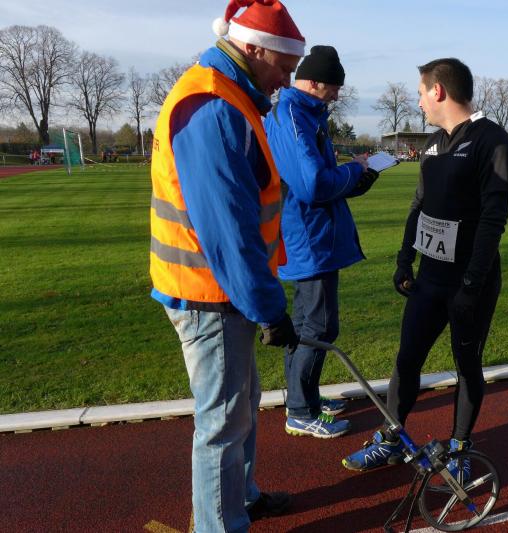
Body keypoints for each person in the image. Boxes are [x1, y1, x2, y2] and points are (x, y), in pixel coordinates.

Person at [149, 1, 305, 531]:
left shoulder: (231, 95)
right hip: (209, 292)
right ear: (255, 49)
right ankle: (221, 524)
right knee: (222, 420)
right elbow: (229, 233)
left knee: (241, 405)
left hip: (219, 289)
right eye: (284, 66)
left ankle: (240, 498)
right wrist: (268, 308)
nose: (286, 80)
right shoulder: (214, 106)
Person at [342, 58, 508, 473]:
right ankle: (391, 438)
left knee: (466, 365)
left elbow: (493, 220)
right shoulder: (434, 143)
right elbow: (419, 205)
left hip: (470, 282)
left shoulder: (493, 141)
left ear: (438, 91)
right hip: (429, 279)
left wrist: (472, 284)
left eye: (420, 93)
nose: (419, 101)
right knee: (407, 359)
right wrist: (405, 259)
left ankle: (460, 449)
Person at [264, 45, 379, 439]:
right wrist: (354, 170)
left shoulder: (305, 113)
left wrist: (358, 177)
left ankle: (303, 398)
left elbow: (320, 180)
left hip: (310, 234)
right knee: (320, 326)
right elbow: (313, 185)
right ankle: (301, 410)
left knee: (303, 326)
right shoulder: (294, 116)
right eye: (334, 86)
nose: (338, 94)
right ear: (313, 82)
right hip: (309, 238)